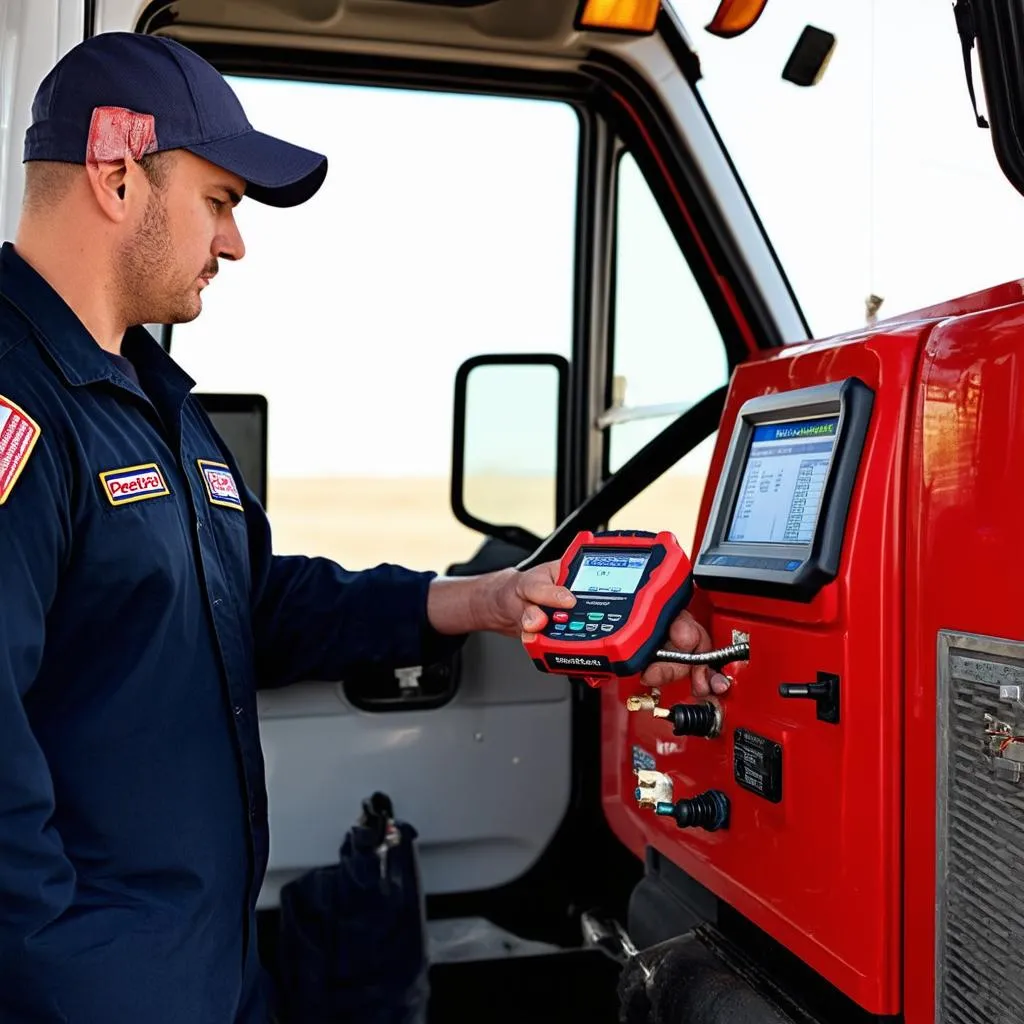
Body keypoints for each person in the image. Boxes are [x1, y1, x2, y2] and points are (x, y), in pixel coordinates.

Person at [0, 31, 729, 1024]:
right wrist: (70, 982)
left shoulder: (154, 398)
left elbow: (252, 603)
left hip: (204, 965)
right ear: (117, 175)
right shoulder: (20, 408)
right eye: (218, 203)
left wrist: (483, 597)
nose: (234, 242)